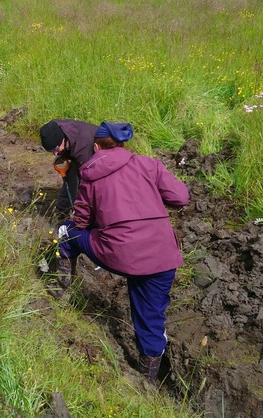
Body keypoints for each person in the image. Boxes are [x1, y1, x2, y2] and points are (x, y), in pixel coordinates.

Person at [57, 121, 189, 384]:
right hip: (163, 256)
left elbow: (82, 221)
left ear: (96, 147)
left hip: (120, 254)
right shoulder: (149, 164)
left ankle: (60, 289)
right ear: (123, 144)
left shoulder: (90, 173)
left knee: (67, 231)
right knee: (150, 317)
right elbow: (180, 198)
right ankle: (149, 381)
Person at [39, 119, 99, 215]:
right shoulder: (54, 128)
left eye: (56, 149)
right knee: (70, 176)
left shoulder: (82, 149)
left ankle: (87, 213)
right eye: (51, 151)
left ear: (63, 139)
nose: (55, 154)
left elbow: (85, 181)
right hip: (79, 150)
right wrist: (62, 155)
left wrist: (80, 209)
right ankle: (62, 211)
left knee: (88, 186)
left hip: (101, 153)